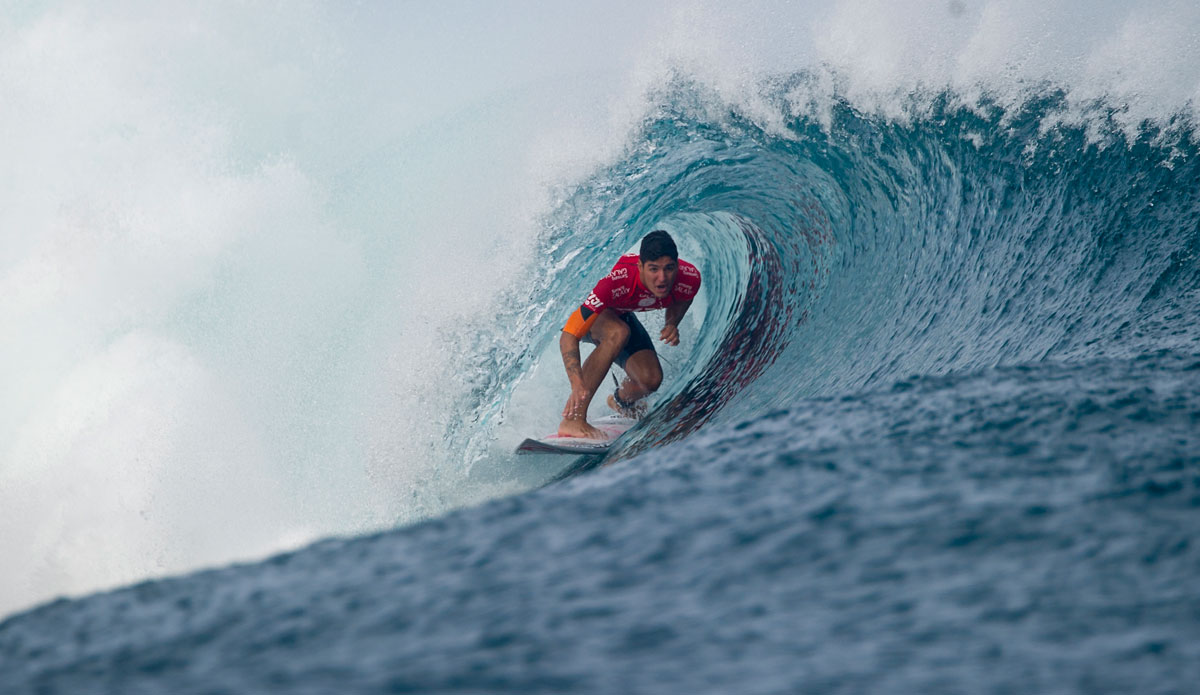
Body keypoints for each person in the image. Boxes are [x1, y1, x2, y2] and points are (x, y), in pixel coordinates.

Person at [558, 230, 702, 439]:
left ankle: (621, 402)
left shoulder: (689, 278)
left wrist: (671, 323)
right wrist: (577, 383)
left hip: (619, 314)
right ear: (640, 266)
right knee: (617, 332)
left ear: (677, 266)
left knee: (650, 379)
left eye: (669, 268)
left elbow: (684, 297)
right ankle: (572, 420)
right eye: (653, 269)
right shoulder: (616, 282)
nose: (662, 278)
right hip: (582, 310)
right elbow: (569, 336)